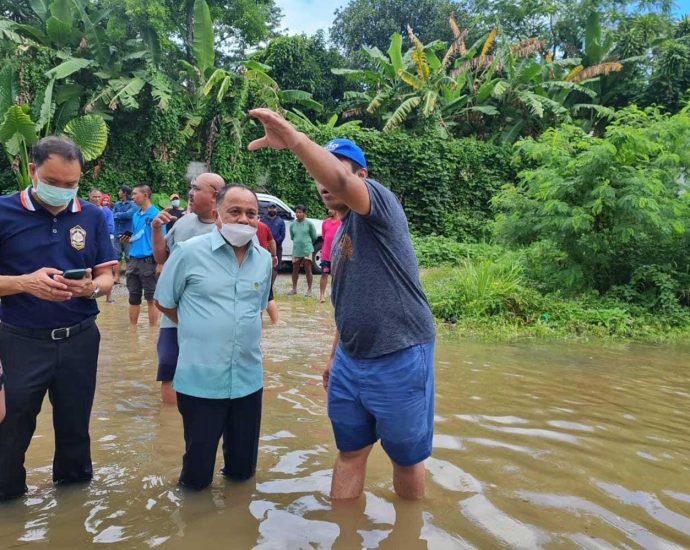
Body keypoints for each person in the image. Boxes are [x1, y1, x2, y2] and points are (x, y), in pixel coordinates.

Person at [248, 110, 436, 500]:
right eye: (318, 176)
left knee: (406, 457)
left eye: (332, 171)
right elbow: (347, 300)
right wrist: (335, 355)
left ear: (362, 178)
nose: (323, 182)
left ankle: (409, 535)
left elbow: (340, 179)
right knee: (349, 452)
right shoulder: (338, 231)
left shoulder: (379, 206)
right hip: (351, 359)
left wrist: (296, 140)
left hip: (400, 353)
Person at [0, 136, 117, 500]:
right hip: (19, 340)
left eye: (72, 184)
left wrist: (90, 289)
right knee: (10, 427)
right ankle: (8, 504)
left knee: (75, 429)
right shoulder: (3, 212)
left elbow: (107, 277)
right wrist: (25, 283)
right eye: (54, 183)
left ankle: (73, 511)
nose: (64, 191)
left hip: (80, 337)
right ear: (33, 171)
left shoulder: (92, 215)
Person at [154, 184, 272, 490]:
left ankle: (237, 529)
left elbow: (256, 311)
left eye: (251, 213)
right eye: (235, 212)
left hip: (248, 379)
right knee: (196, 473)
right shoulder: (189, 253)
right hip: (201, 380)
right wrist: (196, 325)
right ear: (217, 215)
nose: (244, 220)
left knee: (243, 471)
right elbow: (164, 301)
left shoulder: (263, 260)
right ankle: (193, 528)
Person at [151, 173, 225, 405]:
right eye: (190, 188)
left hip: (211, 319)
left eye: (196, 188)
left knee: (211, 374)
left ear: (214, 195)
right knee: (170, 369)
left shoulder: (229, 229)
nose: (189, 194)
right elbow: (161, 257)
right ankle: (170, 431)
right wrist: (156, 230)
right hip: (173, 317)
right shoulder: (182, 222)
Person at [123, 184, 161, 326]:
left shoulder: (156, 215)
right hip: (133, 260)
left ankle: (152, 332)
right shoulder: (135, 215)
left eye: (134, 194)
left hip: (149, 261)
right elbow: (135, 236)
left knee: (151, 298)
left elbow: (161, 241)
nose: (132, 197)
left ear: (145, 195)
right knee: (133, 298)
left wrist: (160, 263)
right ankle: (133, 331)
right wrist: (127, 240)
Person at [89, 189, 116, 303]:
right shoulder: (85, 210)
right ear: (89, 196)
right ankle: (88, 295)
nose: (96, 199)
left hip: (103, 241)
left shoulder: (107, 212)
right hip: (88, 242)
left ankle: (109, 297)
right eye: (94, 196)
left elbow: (111, 227)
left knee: (106, 268)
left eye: (98, 197)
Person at [288, 204, 317, 297]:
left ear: (304, 213)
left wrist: (306, 242)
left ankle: (309, 290)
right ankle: (294, 289)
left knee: (308, 269)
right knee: (295, 269)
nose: (298, 214)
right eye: (296, 212)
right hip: (297, 249)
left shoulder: (309, 224)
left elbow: (314, 236)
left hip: (307, 249)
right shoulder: (292, 225)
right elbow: (292, 237)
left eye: (300, 212)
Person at [112, 185, 137, 285]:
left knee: (128, 256)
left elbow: (129, 215)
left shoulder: (133, 204)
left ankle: (129, 279)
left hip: (128, 233)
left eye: (120, 191)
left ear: (124, 193)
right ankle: (116, 278)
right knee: (116, 256)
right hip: (117, 232)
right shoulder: (117, 204)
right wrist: (121, 214)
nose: (118, 192)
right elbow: (113, 215)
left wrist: (119, 214)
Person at [256, 220, 280, 324]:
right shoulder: (264, 226)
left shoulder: (240, 225)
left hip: (249, 265)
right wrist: (274, 255)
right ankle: (275, 321)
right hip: (262, 264)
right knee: (268, 295)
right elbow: (272, 241)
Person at [261, 203, 286, 287]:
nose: (272, 210)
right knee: (264, 266)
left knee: (275, 267)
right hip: (264, 247)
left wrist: (274, 244)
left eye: (274, 208)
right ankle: (264, 284)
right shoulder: (262, 220)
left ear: (276, 210)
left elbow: (282, 235)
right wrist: (267, 244)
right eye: (270, 208)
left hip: (277, 247)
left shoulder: (280, 221)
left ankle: (271, 286)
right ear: (267, 209)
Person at [319, 209, 341, 303]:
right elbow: (324, 236)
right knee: (324, 274)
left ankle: (334, 295)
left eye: (331, 209)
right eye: (328, 209)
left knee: (336, 276)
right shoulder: (325, 222)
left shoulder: (342, 222)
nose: (329, 211)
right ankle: (322, 295)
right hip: (326, 254)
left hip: (337, 254)